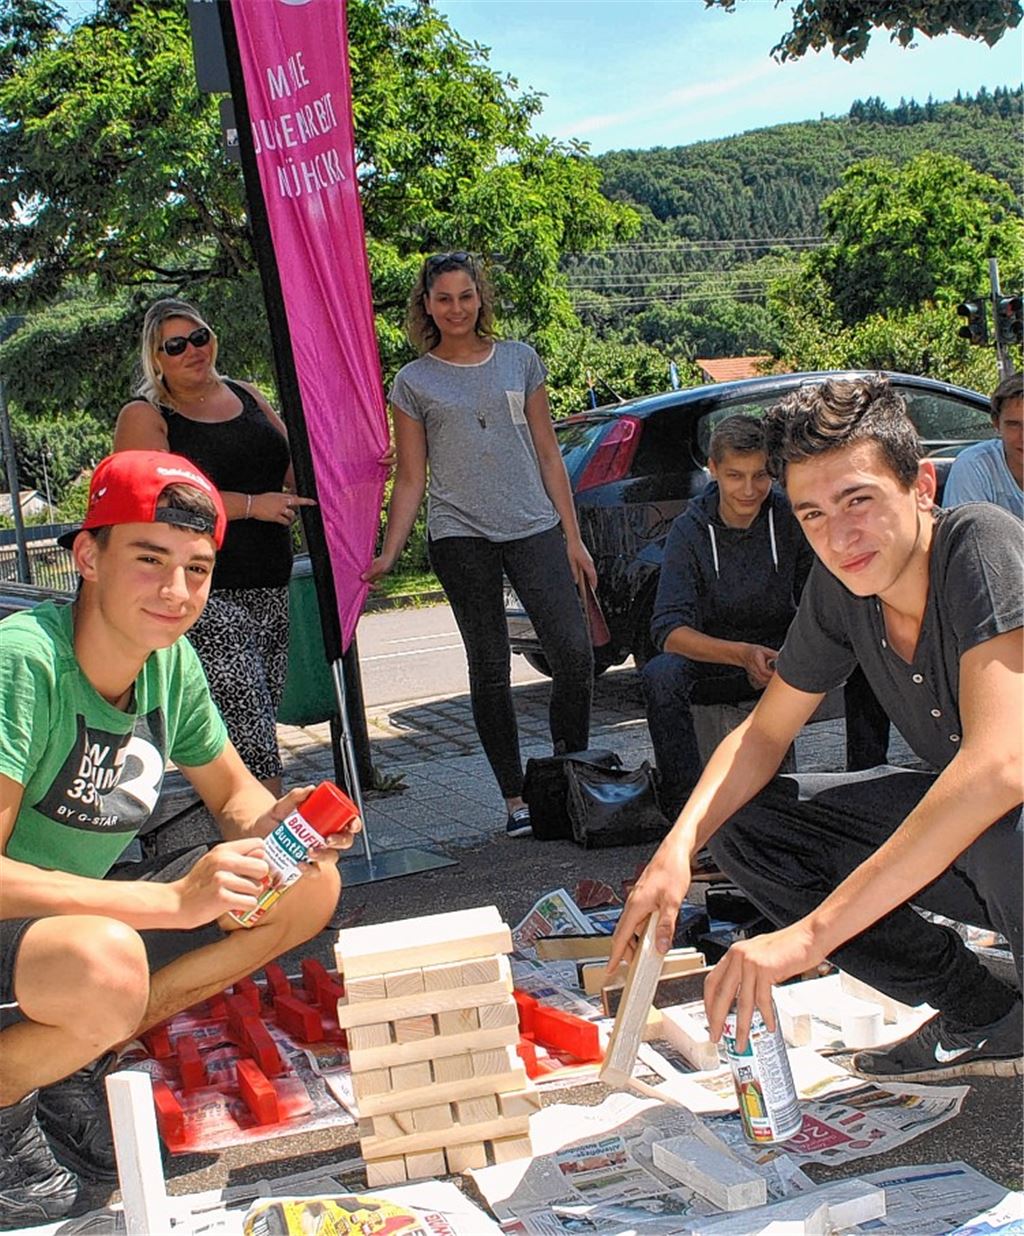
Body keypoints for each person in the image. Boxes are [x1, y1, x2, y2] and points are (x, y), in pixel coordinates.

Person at [609, 375, 1022, 1084]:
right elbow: (763, 736)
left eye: (858, 499)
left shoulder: (979, 544)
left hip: (1008, 826)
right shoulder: (842, 589)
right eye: (812, 514)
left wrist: (807, 939)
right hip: (992, 842)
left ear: (922, 484)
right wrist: (676, 849)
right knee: (745, 824)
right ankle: (984, 1012)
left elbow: (998, 768)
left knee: (990, 825)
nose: (839, 535)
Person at [0, 451, 360, 1229]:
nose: (176, 592)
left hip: (70, 935)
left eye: (197, 569)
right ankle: (5, 1106)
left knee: (306, 887)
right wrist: (168, 900)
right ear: (88, 557)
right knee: (109, 961)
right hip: (30, 932)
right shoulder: (23, 662)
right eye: (149, 559)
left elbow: (234, 797)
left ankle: (71, 1059)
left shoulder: (169, 662)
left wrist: (284, 824)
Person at [363, 252, 595, 837]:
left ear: (480, 298)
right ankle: (516, 800)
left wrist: (573, 537)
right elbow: (411, 476)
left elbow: (549, 454)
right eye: (444, 298)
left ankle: (571, 775)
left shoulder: (520, 359)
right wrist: (389, 552)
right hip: (460, 532)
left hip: (534, 523)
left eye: (466, 296)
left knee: (573, 653)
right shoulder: (414, 381)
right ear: (427, 306)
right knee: (489, 666)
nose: (457, 308)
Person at [113, 299, 316, 795]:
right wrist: (251, 505)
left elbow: (300, 468)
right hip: (202, 595)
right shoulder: (147, 414)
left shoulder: (245, 394)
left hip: (270, 582)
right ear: (155, 358)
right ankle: (267, 849)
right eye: (175, 345)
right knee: (250, 731)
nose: (192, 351)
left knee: (254, 722)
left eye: (199, 336)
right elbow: (156, 497)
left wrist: (359, 462)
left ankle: (240, 843)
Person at [642, 414, 890, 817]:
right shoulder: (688, 530)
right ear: (713, 470)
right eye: (736, 476)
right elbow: (668, 630)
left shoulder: (790, 516)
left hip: (788, 655)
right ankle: (684, 810)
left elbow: (825, 598)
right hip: (722, 661)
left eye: (761, 476)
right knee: (661, 675)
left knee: (866, 650)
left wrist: (795, 655)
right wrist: (742, 655)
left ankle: (866, 790)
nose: (749, 489)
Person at [942, 370, 1023, 518]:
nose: (1023, 436)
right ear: (996, 424)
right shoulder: (974, 465)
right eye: (1014, 424)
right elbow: (967, 537)